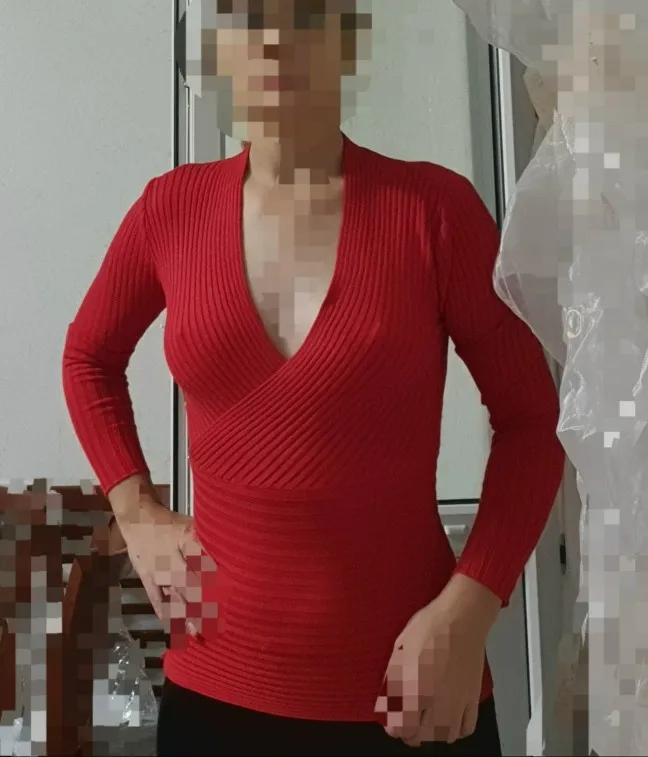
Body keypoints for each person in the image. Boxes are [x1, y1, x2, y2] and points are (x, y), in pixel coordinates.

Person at [62, 1, 565, 755]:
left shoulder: (434, 212)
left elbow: (532, 420)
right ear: (220, 51)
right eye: (248, 18)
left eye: (304, 15)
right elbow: (87, 359)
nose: (274, 40)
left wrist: (471, 606)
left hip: (413, 692)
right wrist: (136, 510)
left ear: (347, 44)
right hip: (215, 692)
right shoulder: (169, 210)